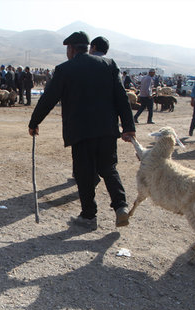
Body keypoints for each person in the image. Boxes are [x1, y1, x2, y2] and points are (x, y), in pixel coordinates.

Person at [28, 31, 136, 230]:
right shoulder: (109, 65)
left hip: (80, 131)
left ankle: (88, 217)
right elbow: (122, 97)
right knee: (108, 168)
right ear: (87, 47)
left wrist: (34, 122)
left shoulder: (65, 69)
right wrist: (128, 127)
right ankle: (121, 206)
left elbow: (48, 99)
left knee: (84, 174)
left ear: (71, 49)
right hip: (107, 129)